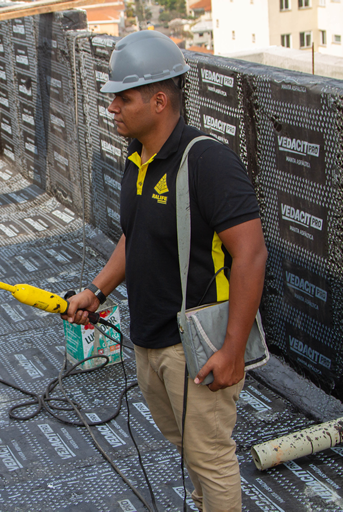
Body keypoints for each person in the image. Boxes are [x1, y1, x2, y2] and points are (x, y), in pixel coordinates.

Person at [62, 31, 267, 512]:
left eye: (123, 97)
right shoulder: (138, 159)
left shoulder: (208, 162)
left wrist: (232, 349)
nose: (112, 106)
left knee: (211, 459)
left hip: (194, 348)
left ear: (158, 100)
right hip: (148, 340)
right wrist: (97, 289)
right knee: (191, 453)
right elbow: (135, 237)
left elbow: (251, 254)